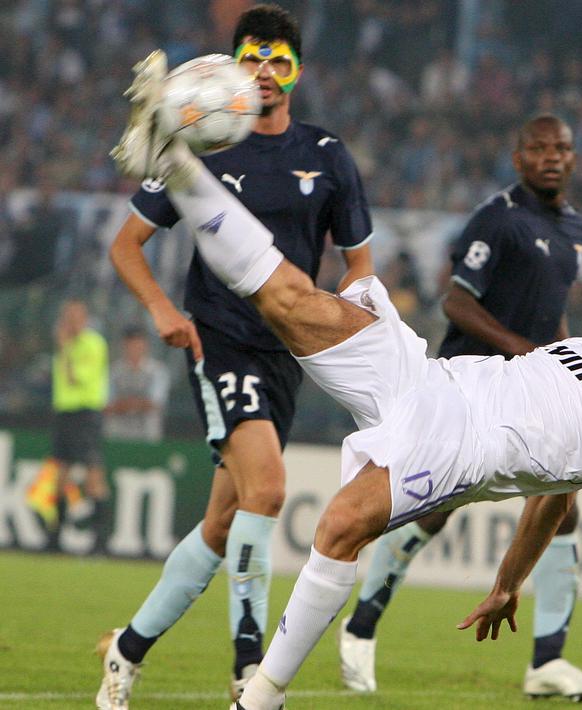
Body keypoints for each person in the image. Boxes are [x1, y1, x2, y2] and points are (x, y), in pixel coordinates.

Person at [108, 52, 582, 710]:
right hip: (430, 379)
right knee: (291, 300)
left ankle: (259, 698)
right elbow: (557, 496)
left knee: (337, 527)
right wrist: (510, 581)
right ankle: (172, 162)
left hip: (466, 441)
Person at [97, 6, 374, 708]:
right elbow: (125, 243)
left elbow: (358, 272)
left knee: (225, 524)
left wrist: (358, 339)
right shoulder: (202, 150)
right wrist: (163, 309)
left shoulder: (328, 154)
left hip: (289, 354)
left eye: (281, 61)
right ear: (232, 67)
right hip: (220, 342)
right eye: (254, 58)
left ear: (299, 71)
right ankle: (249, 669)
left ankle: (125, 653)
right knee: (271, 490)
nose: (267, 73)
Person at [338, 114, 582, 700]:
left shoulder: (575, 226)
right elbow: (456, 302)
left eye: (562, 147)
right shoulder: (498, 217)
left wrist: (559, 362)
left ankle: (547, 662)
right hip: (471, 386)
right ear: (518, 158)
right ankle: (359, 627)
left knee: (563, 507)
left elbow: (550, 309)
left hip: (534, 390)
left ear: (574, 157)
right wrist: (523, 352)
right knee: (430, 509)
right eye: (538, 148)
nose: (551, 157)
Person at [49, 298, 110, 532]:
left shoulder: (93, 344)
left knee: (92, 475)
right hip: (64, 414)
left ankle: (100, 540)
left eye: (75, 317)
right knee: (60, 476)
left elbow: (74, 379)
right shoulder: (66, 345)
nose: (70, 322)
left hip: (85, 414)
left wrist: (64, 349)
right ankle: (54, 540)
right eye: (67, 317)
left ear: (85, 319)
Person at [104, 327, 171, 443]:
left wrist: (124, 404)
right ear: (124, 346)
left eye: (138, 343)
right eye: (130, 344)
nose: (134, 348)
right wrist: (139, 403)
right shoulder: (113, 371)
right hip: (118, 435)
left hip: (148, 435)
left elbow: (155, 403)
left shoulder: (157, 371)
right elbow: (107, 405)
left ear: (145, 345)